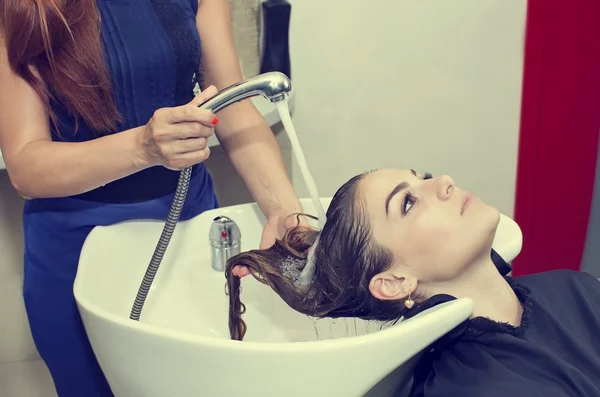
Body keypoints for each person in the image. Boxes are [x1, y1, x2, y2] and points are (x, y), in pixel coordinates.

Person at [0, 1, 302, 396]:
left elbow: (233, 107)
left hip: (186, 228)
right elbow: (25, 166)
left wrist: (285, 211)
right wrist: (143, 147)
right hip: (73, 245)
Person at [226, 168, 600, 397]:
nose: (445, 182)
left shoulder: (576, 288)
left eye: (423, 178)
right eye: (407, 203)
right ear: (393, 282)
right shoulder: (470, 389)